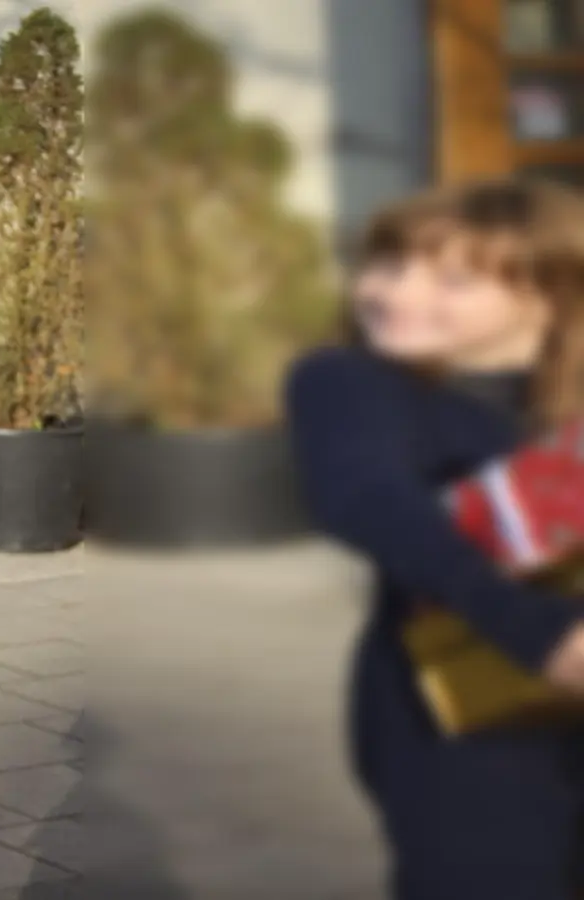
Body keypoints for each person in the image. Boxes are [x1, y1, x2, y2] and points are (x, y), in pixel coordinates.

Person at [286, 178, 584, 900]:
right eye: (388, 266)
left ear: (547, 294)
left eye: (453, 279)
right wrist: (545, 635)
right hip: (469, 721)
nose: (397, 294)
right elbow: (371, 502)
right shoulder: (350, 381)